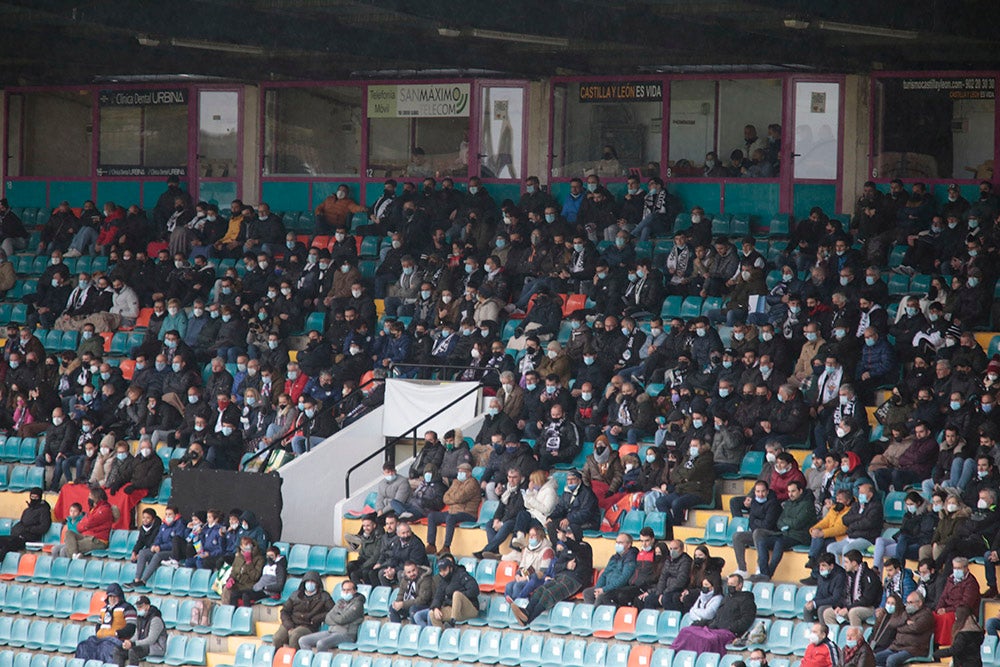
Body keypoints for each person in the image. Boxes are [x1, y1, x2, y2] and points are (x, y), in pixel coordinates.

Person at [511, 521, 593, 625]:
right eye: (566, 534)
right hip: (560, 577)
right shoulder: (565, 549)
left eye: (569, 533)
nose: (567, 536)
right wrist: (566, 565)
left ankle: (528, 618)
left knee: (549, 594)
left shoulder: (585, 547)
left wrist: (566, 540)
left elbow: (577, 548)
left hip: (575, 580)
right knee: (540, 590)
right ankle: (526, 612)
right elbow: (557, 567)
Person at [669, 573, 757, 654]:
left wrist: (730, 627)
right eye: (728, 584)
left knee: (707, 640)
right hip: (715, 629)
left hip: (729, 632)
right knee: (686, 631)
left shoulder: (747, 600)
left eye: (732, 584)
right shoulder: (726, 598)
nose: (729, 586)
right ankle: (676, 656)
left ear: (740, 585)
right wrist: (704, 623)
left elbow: (746, 620)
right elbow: (717, 617)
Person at [425, 462, 481, 556]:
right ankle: (431, 545)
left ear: (469, 473)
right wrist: (453, 499)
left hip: (468, 513)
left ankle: (446, 547)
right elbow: (445, 497)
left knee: (450, 518)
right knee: (432, 516)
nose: (460, 474)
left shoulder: (472, 483)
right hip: (453, 511)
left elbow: (461, 497)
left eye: (462, 472)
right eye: (459, 471)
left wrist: (452, 498)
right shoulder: (456, 482)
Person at [297, 579, 367, 652]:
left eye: (348, 590)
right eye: (344, 590)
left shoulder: (358, 604)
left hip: (347, 634)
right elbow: (327, 618)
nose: (346, 592)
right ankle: (310, 660)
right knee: (303, 640)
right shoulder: (340, 601)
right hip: (331, 631)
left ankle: (322, 662)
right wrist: (337, 618)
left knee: (321, 643)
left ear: (355, 591)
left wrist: (335, 617)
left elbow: (342, 619)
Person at [75, 584, 137, 662]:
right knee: (83, 646)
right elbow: (98, 625)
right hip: (100, 639)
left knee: (105, 648)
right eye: (110, 597)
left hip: (117, 640)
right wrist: (100, 633)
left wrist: (117, 633)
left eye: (115, 596)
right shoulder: (104, 609)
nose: (112, 599)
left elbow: (131, 628)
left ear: (120, 596)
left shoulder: (128, 608)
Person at [273, 571, 334, 649]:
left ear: (317, 584)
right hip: (291, 623)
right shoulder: (295, 595)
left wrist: (318, 618)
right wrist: (289, 625)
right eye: (308, 581)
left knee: (295, 636)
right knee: (277, 638)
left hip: (308, 626)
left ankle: (295, 659)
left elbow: (332, 611)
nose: (310, 583)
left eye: (312, 581)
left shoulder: (324, 596)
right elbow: (284, 611)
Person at [823, 549, 883, 627]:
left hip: (869, 608)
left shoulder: (869, 576)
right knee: (828, 613)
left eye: (846, 562)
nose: (844, 565)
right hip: (852, 605)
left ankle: (855, 636)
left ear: (854, 563)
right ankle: (834, 637)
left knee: (853, 612)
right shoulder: (849, 575)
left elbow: (867, 600)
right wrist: (838, 606)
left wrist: (848, 608)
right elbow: (844, 595)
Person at [875, 591, 934, 666]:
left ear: (919, 603)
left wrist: (900, 626)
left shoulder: (926, 615)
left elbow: (915, 628)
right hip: (897, 647)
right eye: (907, 602)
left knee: (891, 660)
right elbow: (893, 623)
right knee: (877, 657)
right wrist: (906, 621)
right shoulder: (907, 612)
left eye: (910, 602)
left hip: (913, 649)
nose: (908, 605)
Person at [583, 533, 637, 605]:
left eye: (620, 543)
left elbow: (623, 579)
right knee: (587, 593)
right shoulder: (614, 557)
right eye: (617, 542)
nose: (618, 545)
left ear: (629, 544)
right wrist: (598, 589)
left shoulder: (631, 559)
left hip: (618, 589)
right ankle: (590, 613)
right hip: (607, 586)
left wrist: (604, 589)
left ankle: (595, 614)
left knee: (601, 596)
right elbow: (604, 574)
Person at [0, 486, 51, 559]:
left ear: (39, 497)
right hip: (17, 535)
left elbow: (44, 527)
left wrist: (29, 529)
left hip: (28, 537)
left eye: (35, 497)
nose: (33, 499)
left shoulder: (44, 510)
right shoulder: (27, 510)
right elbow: (21, 522)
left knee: (7, 545)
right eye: (32, 497)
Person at [64, 486, 114, 558]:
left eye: (90, 496)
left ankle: (74, 559)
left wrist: (84, 524)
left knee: (67, 549)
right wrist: (83, 524)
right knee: (69, 533)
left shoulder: (104, 509)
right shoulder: (93, 509)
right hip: (87, 536)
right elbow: (79, 526)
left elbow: (88, 523)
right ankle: (74, 555)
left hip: (98, 540)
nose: (89, 498)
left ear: (97, 497)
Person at [118, 595, 167, 667]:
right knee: (118, 650)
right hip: (143, 645)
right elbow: (136, 635)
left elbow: (151, 640)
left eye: (141, 606)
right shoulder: (140, 618)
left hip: (156, 648)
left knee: (133, 651)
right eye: (138, 607)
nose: (139, 609)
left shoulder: (156, 619)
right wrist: (129, 642)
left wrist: (133, 644)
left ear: (147, 606)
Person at [221, 536, 265, 606]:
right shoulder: (239, 557)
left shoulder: (259, 559)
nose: (248, 548)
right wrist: (230, 579)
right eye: (245, 546)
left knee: (234, 594)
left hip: (249, 585)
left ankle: (233, 611)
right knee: (226, 588)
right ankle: (226, 611)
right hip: (238, 584)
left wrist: (249, 563)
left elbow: (255, 577)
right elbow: (233, 571)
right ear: (241, 547)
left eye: (249, 545)